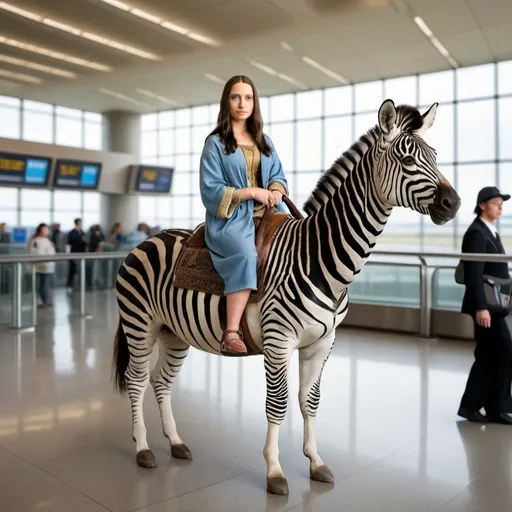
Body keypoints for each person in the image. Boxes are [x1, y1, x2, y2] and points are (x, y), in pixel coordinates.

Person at [199, 75, 289, 355]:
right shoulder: (215, 143)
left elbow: (278, 176)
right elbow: (210, 189)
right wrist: (250, 193)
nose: (242, 103)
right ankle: (231, 331)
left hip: (269, 214)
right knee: (246, 255)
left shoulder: (265, 141)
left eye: (248, 97)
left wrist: (275, 190)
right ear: (227, 101)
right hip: (231, 219)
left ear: (255, 102)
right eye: (236, 97)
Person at [458, 186, 512, 425]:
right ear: (482, 205)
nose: (500, 206)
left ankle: (483, 407)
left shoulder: (491, 231)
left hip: (495, 305)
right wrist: (481, 307)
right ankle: (489, 407)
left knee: (490, 355)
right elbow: (474, 273)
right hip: (486, 306)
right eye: (495, 202)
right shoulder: (477, 233)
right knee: (501, 354)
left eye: (502, 202)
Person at [28, 223, 55, 307]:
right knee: (43, 283)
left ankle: (44, 299)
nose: (47, 231)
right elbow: (37, 253)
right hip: (42, 265)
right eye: (45, 229)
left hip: (46, 265)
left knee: (45, 283)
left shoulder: (45, 240)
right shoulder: (36, 240)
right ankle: (43, 300)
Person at [66, 218, 87, 292]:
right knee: (72, 270)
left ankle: (79, 285)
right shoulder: (72, 232)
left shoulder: (82, 232)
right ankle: (69, 285)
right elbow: (69, 244)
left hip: (82, 254)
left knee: (80, 270)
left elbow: (85, 242)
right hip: (74, 253)